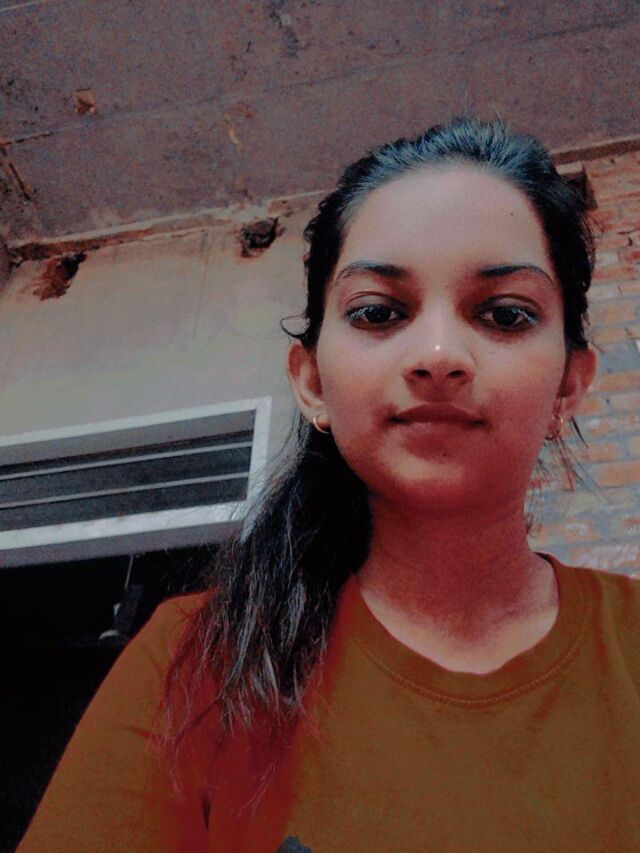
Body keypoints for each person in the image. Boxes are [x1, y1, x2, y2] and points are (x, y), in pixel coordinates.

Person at [19, 116, 640, 852]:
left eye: (505, 314)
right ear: (312, 381)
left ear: (570, 385)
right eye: (379, 312)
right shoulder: (194, 661)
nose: (439, 354)